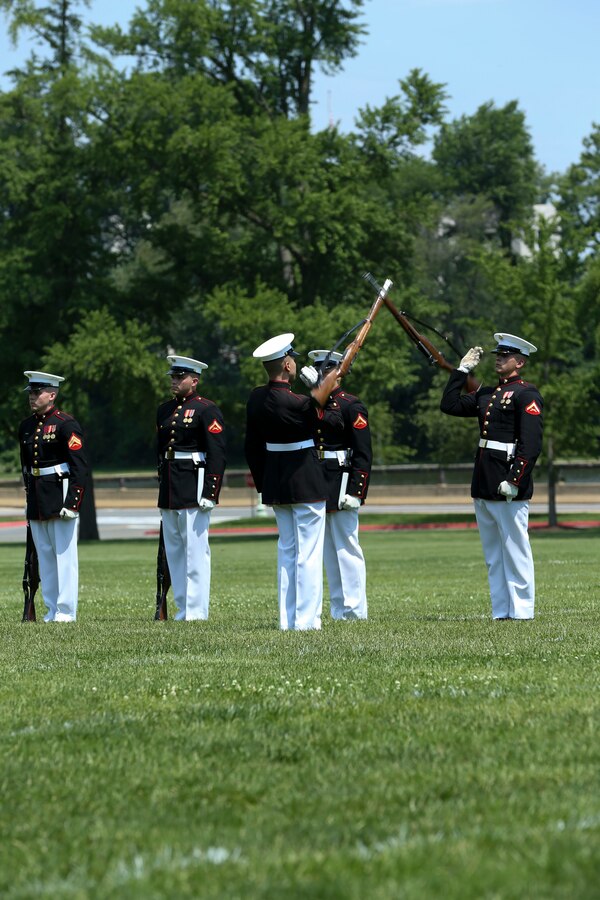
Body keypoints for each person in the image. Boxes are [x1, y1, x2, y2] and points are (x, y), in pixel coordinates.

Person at [440, 333, 544, 620]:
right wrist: (461, 371)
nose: (498, 358)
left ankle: (522, 611)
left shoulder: (527, 394)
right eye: (498, 354)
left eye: (505, 355)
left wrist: (514, 479)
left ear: (519, 362)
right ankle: (501, 610)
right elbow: (449, 405)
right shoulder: (487, 393)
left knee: (515, 549)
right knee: (493, 554)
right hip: (484, 479)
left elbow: (531, 445)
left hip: (507, 480)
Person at [244, 333, 341, 631]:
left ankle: (288, 620)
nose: (296, 363)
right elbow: (333, 422)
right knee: (308, 555)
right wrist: (320, 388)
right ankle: (307, 621)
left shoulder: (257, 398)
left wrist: (264, 484)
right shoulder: (297, 403)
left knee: (287, 550)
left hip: (276, 481)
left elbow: (252, 447)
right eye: (294, 359)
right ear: (286, 364)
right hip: (305, 481)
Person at [300, 350, 372, 620]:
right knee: (327, 551)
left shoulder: (350, 405)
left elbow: (363, 453)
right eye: (318, 370)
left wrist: (357, 490)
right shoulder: (311, 404)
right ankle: (338, 609)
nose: (320, 374)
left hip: (340, 479)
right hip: (315, 476)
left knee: (346, 547)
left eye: (325, 370)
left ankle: (354, 610)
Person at [157, 355, 226, 621]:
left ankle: (196, 611)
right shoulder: (163, 410)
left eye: (179, 377)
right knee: (174, 552)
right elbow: (160, 451)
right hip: (171, 485)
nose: (174, 381)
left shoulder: (206, 409)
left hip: (194, 484)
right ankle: (183, 608)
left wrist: (211, 491)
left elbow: (217, 453)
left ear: (194, 380)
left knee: (195, 551)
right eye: (173, 377)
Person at [19, 371, 88, 622]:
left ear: (52, 394)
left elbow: (79, 467)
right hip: (38, 496)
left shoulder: (65, 424)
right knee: (45, 558)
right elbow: (26, 467)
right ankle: (50, 610)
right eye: (31, 393)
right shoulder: (26, 426)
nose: (33, 397)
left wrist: (73, 502)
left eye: (37, 393)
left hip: (60, 495)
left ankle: (66, 611)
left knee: (64, 557)